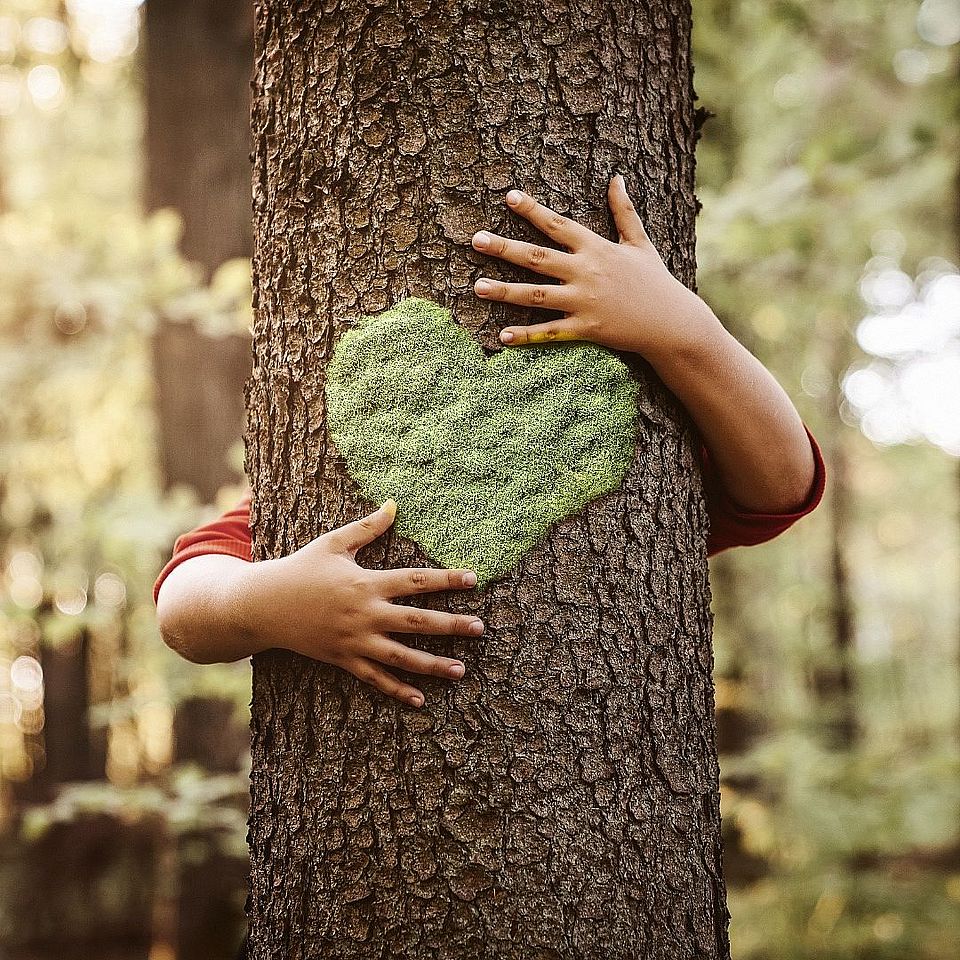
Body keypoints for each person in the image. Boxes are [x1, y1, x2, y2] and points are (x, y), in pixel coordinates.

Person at [154, 175, 826, 710]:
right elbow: (184, 605)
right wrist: (271, 603)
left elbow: (782, 485)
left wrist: (682, 328)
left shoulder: (646, 449)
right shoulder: (330, 482)